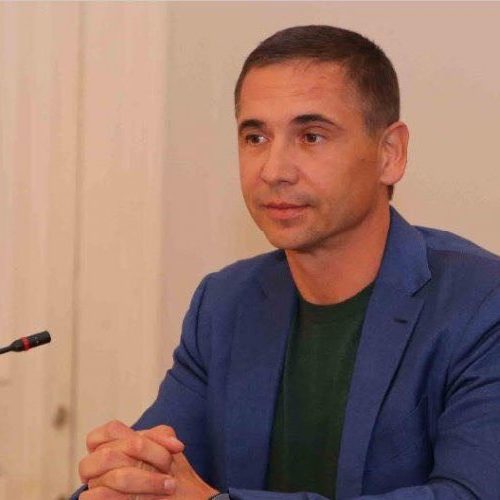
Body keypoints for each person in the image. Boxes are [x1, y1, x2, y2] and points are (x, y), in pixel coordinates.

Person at [73, 25, 500, 500]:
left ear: (390, 154)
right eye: (255, 137)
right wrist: (117, 479)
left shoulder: (482, 305)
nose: (274, 170)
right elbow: (159, 471)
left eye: (311, 137)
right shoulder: (225, 304)